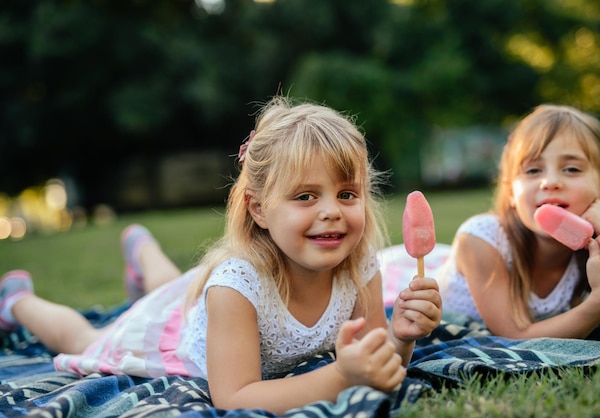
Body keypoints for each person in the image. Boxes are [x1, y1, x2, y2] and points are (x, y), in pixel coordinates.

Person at [0, 96, 442, 414]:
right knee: (86, 337)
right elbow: (233, 397)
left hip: (202, 309)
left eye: (347, 194)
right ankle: (17, 300)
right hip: (182, 341)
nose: (331, 212)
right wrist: (341, 378)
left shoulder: (360, 265)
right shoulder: (236, 285)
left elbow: (377, 361)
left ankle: (144, 254)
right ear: (259, 209)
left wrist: (402, 339)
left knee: (174, 289)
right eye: (306, 196)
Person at [438, 104, 600, 339]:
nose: (549, 181)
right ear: (510, 192)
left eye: (571, 169)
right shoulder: (479, 240)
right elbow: (514, 336)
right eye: (533, 170)